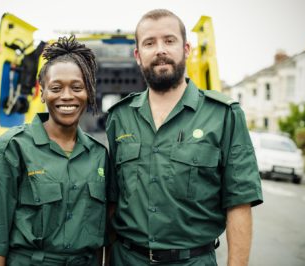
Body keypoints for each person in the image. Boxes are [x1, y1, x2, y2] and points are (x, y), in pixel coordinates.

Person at [106, 9, 263, 266]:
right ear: (137, 55)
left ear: (186, 48)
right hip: (125, 259)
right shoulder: (119, 117)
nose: (160, 50)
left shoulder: (224, 115)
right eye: (149, 43)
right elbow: (112, 203)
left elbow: (239, 203)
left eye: (169, 40)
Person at [0, 35, 109, 266]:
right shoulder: (13, 147)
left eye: (77, 87)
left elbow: (104, 238)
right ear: (42, 92)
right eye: (56, 88)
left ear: (88, 92)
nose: (67, 96)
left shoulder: (99, 155)